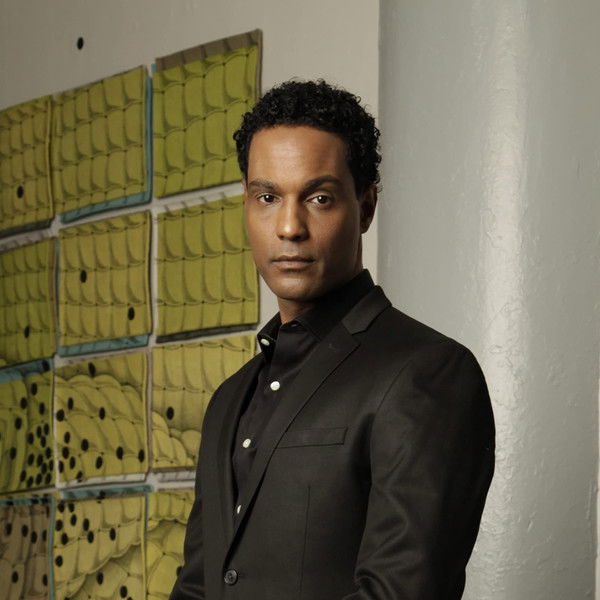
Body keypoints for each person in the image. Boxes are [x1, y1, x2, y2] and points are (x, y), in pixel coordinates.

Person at [170, 79, 495, 600]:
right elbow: (197, 586)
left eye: (319, 198)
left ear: (365, 207)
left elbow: (401, 591)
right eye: (267, 197)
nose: (289, 226)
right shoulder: (229, 399)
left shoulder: (428, 372)